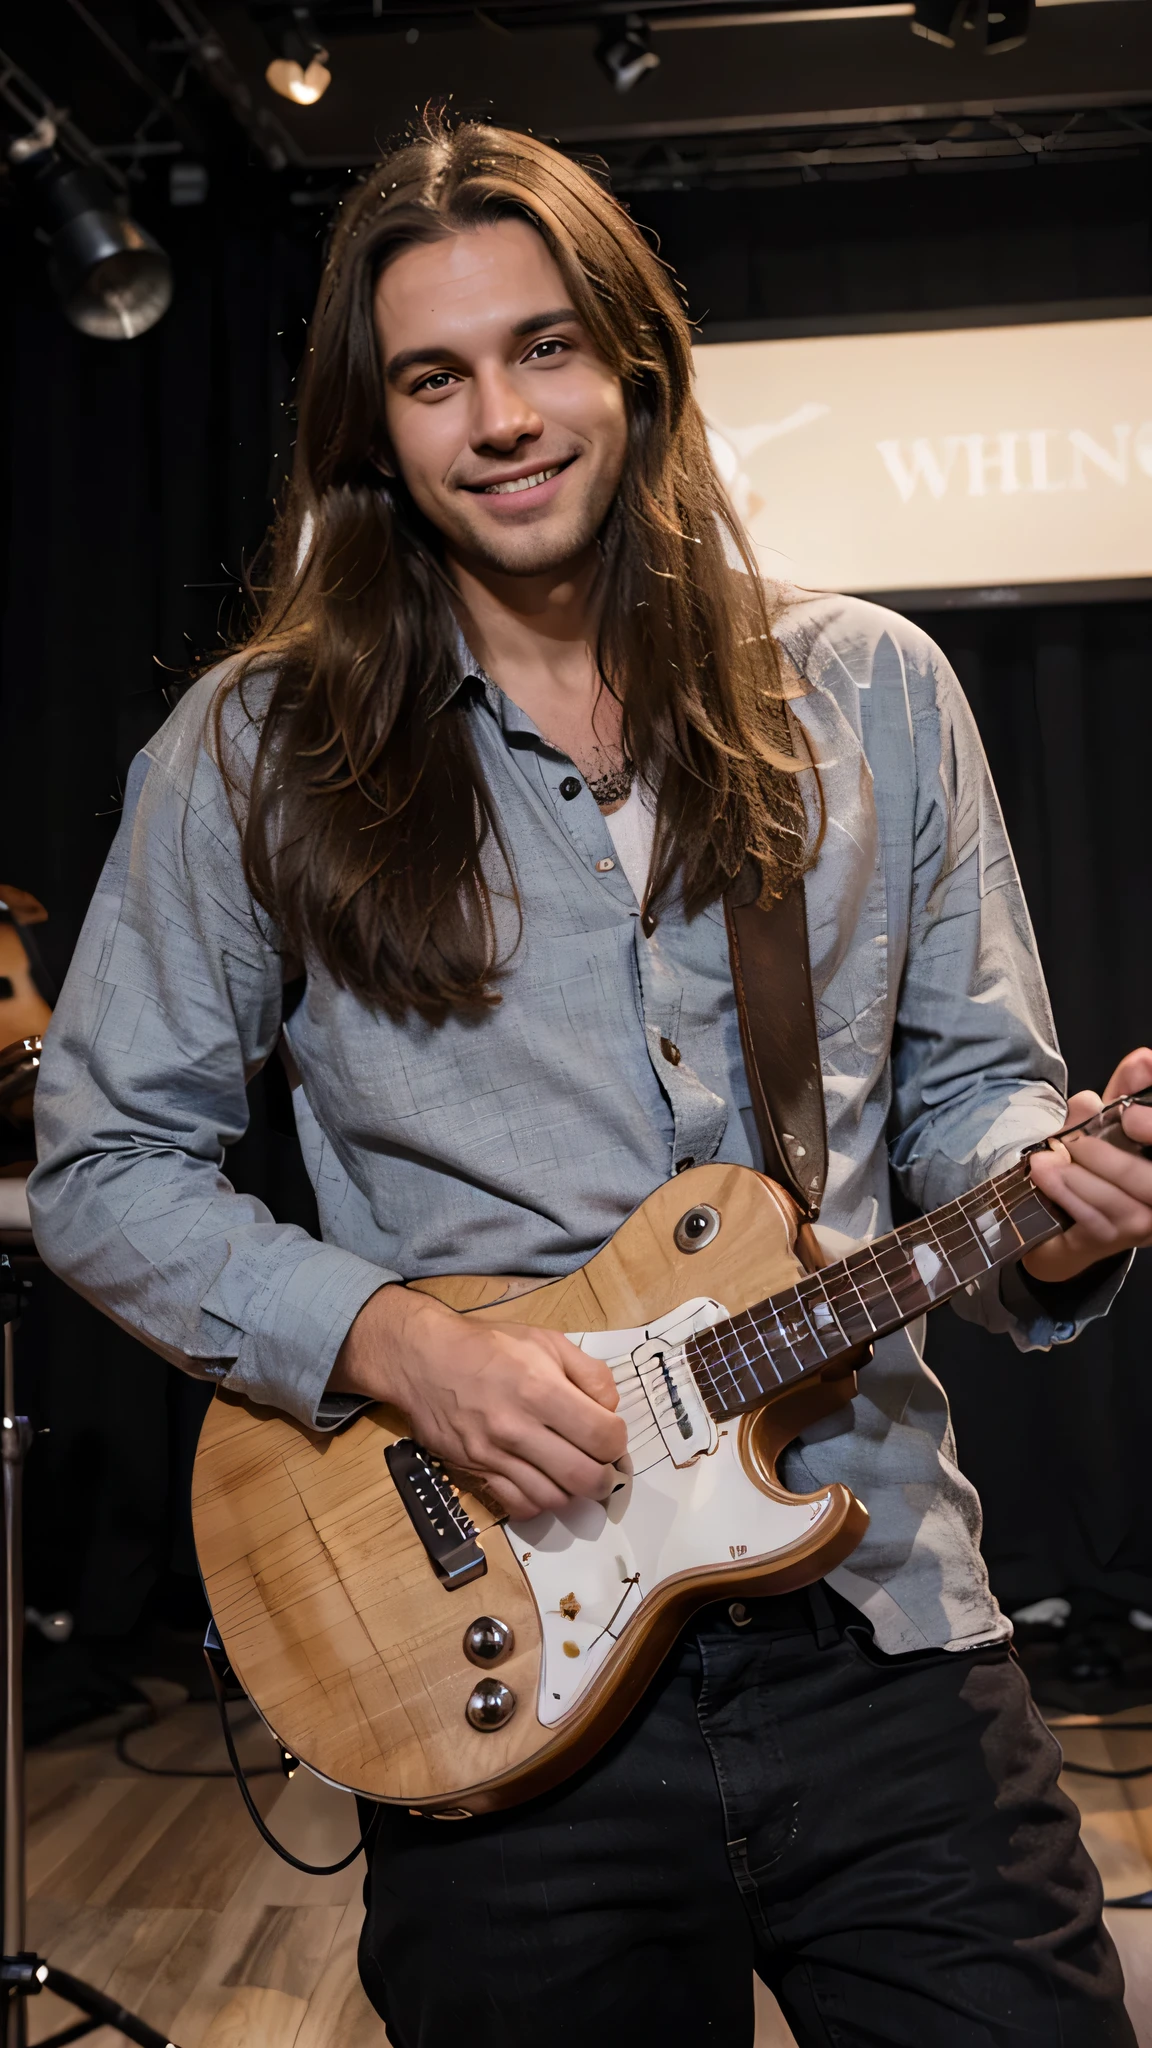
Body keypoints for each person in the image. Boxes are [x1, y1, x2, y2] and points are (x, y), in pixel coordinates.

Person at [29, 117, 1152, 2048]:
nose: (503, 416)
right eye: (434, 375)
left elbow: (982, 1100)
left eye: (543, 348)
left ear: (635, 363)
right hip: (492, 1665)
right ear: (372, 431)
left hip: (874, 1603)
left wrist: (1062, 1201)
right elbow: (104, 1163)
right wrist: (397, 1344)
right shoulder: (257, 750)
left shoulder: (868, 694)